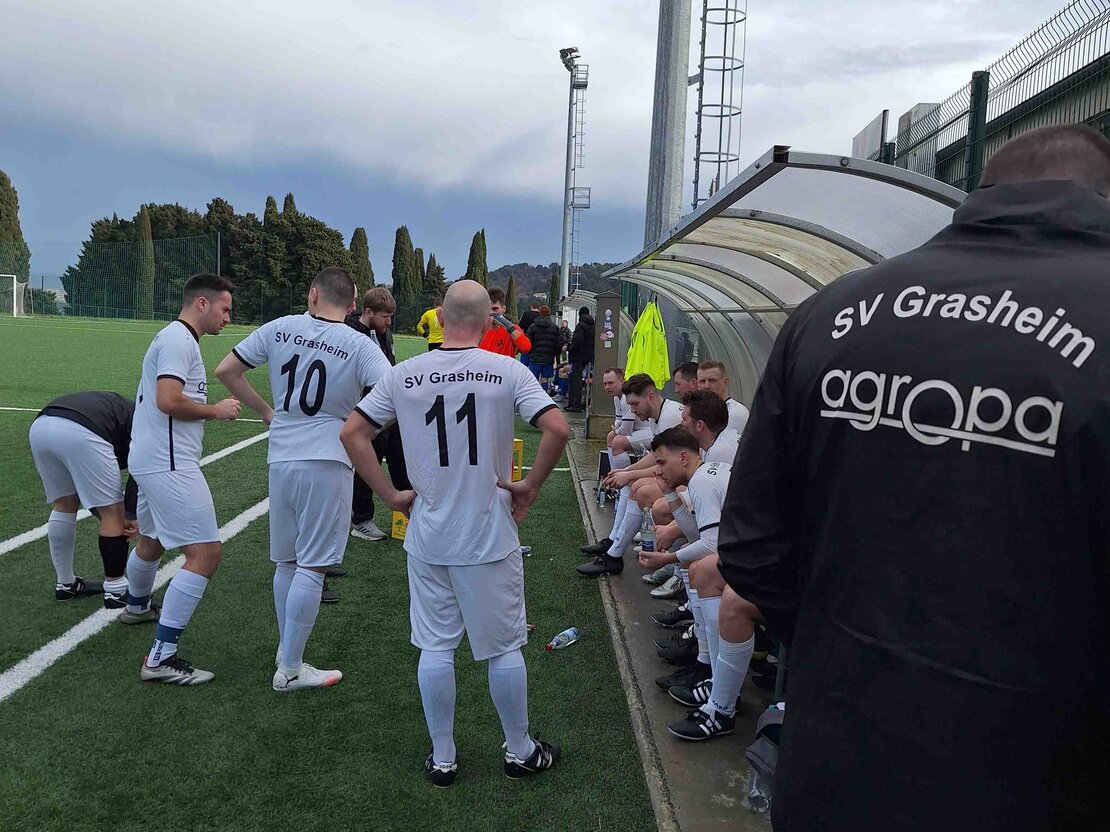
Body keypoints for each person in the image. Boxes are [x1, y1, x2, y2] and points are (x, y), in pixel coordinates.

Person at [718, 125, 1110, 830]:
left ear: (980, 194)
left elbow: (750, 547)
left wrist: (839, 646)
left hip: (833, 762)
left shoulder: (832, 311)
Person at [340, 279, 570, 788]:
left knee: (435, 647)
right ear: (488, 323)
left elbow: (352, 433)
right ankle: (519, 751)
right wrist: (530, 487)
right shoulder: (507, 370)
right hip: (488, 534)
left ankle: (443, 758)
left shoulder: (404, 374)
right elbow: (557, 428)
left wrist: (389, 494)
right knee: (503, 649)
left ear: (440, 319)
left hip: (429, 534)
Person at [216, 267, 391, 692]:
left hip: (282, 456)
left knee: (287, 561)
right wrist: (361, 428)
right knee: (312, 566)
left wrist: (266, 411)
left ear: (312, 294)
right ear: (352, 305)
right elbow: (394, 393)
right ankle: (291, 669)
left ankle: (287, 650)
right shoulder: (358, 342)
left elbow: (226, 370)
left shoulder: (280, 327)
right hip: (328, 459)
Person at [121, 273, 240, 686]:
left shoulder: (176, 338)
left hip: (152, 459)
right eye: (225, 308)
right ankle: (160, 658)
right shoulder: (178, 340)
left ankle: (137, 606)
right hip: (168, 463)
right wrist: (216, 411)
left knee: (152, 540)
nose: (228, 317)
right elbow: (168, 400)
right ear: (202, 304)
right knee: (205, 553)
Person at [633, 427, 735, 733]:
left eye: (661, 462)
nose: (657, 470)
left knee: (701, 568)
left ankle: (718, 686)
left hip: (770, 560)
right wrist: (668, 492)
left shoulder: (703, 481)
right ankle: (707, 669)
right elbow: (695, 535)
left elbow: (711, 545)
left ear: (683, 457)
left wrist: (665, 559)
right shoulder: (704, 475)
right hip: (755, 550)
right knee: (696, 566)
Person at [29, 391, 139, 608]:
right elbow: (140, 469)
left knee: (64, 504)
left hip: (41, 426)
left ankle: (65, 583)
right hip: (83, 430)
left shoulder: (130, 411)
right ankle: (116, 590)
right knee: (113, 513)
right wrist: (130, 514)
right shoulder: (152, 429)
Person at [578, 373, 683, 576]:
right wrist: (626, 472)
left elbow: (666, 466)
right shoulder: (658, 415)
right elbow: (656, 457)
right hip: (681, 474)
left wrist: (629, 475)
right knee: (633, 483)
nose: (633, 411)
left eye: (635, 404)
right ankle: (615, 545)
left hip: (689, 480)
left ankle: (671, 565)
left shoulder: (669, 417)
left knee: (639, 489)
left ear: (650, 397)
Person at [345, 287, 410, 544]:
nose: (389, 321)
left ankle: (410, 514)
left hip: (390, 410)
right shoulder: (350, 334)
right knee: (366, 465)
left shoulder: (385, 333)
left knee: (401, 459)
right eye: (385, 316)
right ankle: (361, 520)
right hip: (365, 412)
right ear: (369, 312)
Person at [696, 360, 748, 434]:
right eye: (702, 381)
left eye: (712, 380)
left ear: (725, 382)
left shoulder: (735, 413)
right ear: (697, 384)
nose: (706, 386)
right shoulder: (697, 412)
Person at [479, 287, 531, 357]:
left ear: (503, 309)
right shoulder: (479, 330)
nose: (491, 312)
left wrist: (509, 327)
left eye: (495, 309)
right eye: (488, 309)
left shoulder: (513, 330)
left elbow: (526, 348)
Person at [565, 306, 594, 412]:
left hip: (578, 356)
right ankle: (581, 403)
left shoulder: (580, 326)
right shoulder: (593, 325)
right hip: (588, 356)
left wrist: (570, 348)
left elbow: (578, 340)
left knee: (575, 379)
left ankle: (575, 404)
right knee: (580, 378)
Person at [525, 305, 560, 390]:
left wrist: (530, 352)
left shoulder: (533, 326)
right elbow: (558, 342)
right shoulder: (555, 327)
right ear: (549, 314)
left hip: (535, 357)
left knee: (533, 378)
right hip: (548, 357)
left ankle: (533, 393)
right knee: (545, 378)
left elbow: (527, 341)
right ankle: (544, 393)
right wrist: (555, 353)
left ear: (540, 313)